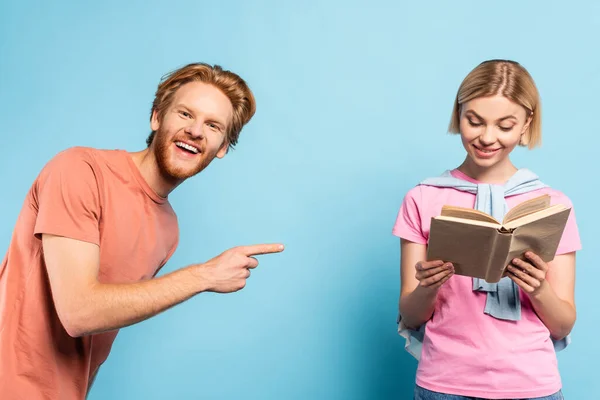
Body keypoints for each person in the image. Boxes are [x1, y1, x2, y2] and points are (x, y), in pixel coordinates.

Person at [0, 62, 284, 399]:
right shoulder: (81, 170)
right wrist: (204, 276)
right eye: (185, 114)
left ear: (222, 147)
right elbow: (78, 312)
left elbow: (102, 331)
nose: (195, 131)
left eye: (212, 125)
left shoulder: (168, 230)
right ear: (156, 118)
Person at [393, 60, 581, 400]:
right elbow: (411, 315)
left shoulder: (553, 205)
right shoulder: (422, 198)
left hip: (531, 386)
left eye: (505, 126)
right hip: (444, 384)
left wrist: (538, 288)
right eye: (474, 121)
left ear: (526, 124)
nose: (487, 137)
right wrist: (427, 286)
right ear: (459, 114)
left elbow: (564, 324)